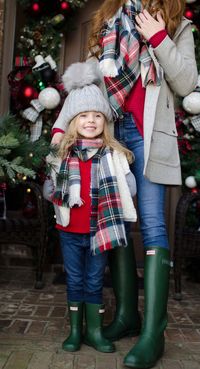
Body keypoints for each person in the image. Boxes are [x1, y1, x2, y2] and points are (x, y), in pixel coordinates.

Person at [51, 1, 198, 367]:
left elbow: (186, 82)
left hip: (150, 138)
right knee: (113, 221)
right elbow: (87, 83)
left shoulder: (179, 26)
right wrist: (61, 124)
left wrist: (158, 37)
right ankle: (127, 317)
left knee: (151, 223)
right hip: (110, 136)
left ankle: (153, 333)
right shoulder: (107, 21)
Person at [44, 60, 137, 354]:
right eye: (83, 115)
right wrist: (55, 187)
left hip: (101, 230)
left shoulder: (113, 154)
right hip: (70, 230)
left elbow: (130, 187)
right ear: (73, 121)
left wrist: (123, 183)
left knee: (95, 280)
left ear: (104, 122)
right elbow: (49, 190)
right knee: (75, 278)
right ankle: (75, 331)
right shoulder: (62, 155)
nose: (91, 121)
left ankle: (94, 333)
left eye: (97, 115)